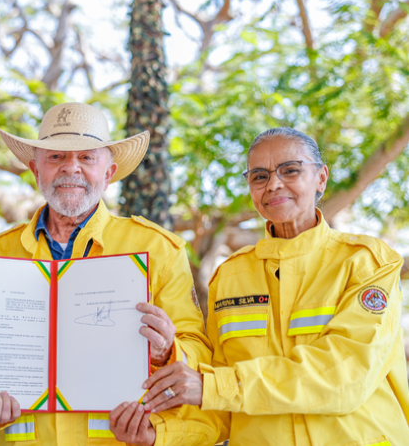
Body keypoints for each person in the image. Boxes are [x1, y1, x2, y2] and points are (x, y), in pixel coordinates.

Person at [0, 102, 222, 446]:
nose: (71, 168)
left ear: (109, 171)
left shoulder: (158, 248)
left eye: (87, 157)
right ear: (34, 168)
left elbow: (199, 352)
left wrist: (167, 351)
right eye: (55, 157)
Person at [140, 127, 409, 445]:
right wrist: (160, 435)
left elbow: (343, 378)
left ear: (321, 178)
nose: (274, 184)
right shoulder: (230, 276)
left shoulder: (366, 263)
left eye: (290, 170)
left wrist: (214, 387)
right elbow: (218, 406)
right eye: (259, 176)